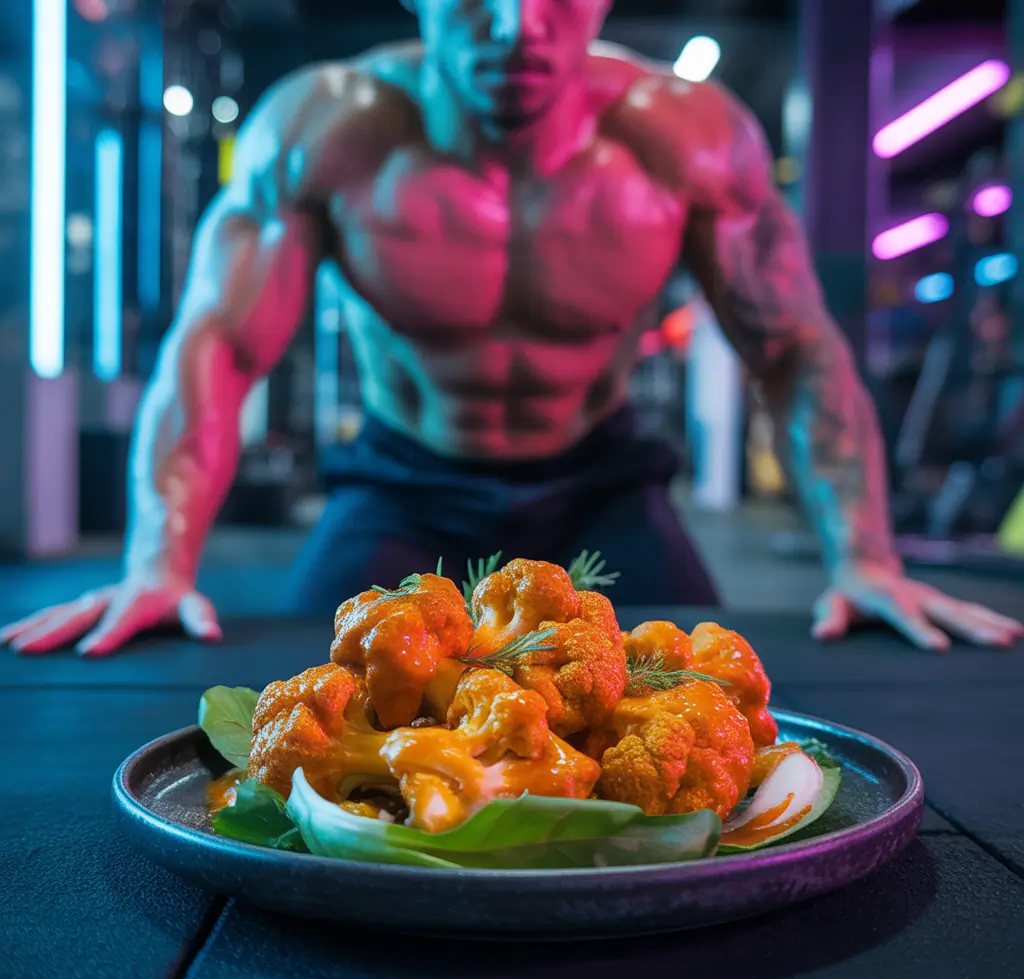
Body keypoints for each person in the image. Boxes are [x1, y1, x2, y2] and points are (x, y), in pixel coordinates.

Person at [4, 0, 1021, 657]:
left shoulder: (686, 139)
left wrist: (865, 554)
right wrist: (158, 558)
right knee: (293, 694)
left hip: (598, 484)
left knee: (706, 690)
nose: (516, 26)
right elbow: (216, 348)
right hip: (406, 481)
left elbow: (791, 344)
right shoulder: (324, 127)